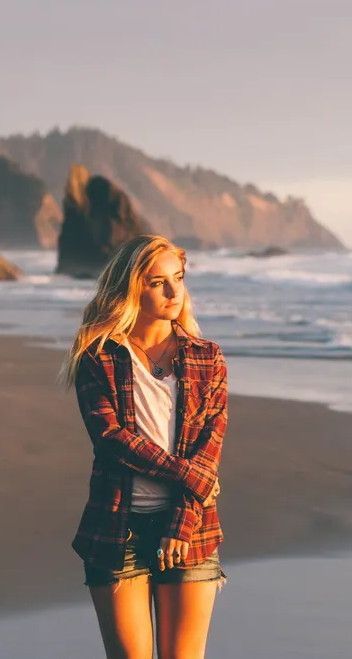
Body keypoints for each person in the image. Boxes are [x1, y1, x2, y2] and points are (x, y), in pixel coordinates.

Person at [61, 234, 229, 659]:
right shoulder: (98, 357)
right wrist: (190, 477)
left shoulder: (207, 357)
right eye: (158, 282)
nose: (174, 292)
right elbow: (113, 439)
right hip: (118, 527)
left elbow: (209, 449)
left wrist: (182, 521)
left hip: (191, 527)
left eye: (179, 278)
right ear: (131, 287)